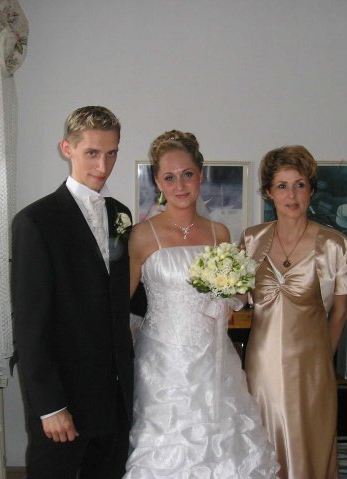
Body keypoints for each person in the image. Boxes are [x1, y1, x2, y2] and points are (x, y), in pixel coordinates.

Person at [124, 130, 279, 478]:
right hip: (163, 365)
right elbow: (118, 305)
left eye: (187, 174)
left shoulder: (219, 233)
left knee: (222, 446)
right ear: (157, 181)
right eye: (169, 177)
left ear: (201, 175)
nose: (180, 185)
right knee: (166, 450)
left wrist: (234, 297)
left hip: (214, 360)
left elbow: (232, 295)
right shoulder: (141, 235)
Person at [11, 106, 134, 478]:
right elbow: (30, 324)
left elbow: (121, 297)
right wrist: (49, 406)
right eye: (92, 153)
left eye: (111, 153)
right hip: (63, 400)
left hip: (113, 399)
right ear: (67, 148)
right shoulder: (35, 221)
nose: (103, 165)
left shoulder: (120, 215)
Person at [241, 145, 347, 479]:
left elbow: (340, 313)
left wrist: (322, 359)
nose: (292, 195)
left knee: (310, 451)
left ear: (311, 190)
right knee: (264, 448)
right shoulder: (251, 240)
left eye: (300, 185)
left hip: (312, 369)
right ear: (268, 192)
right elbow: (238, 299)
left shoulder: (334, 244)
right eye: (282, 186)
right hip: (261, 369)